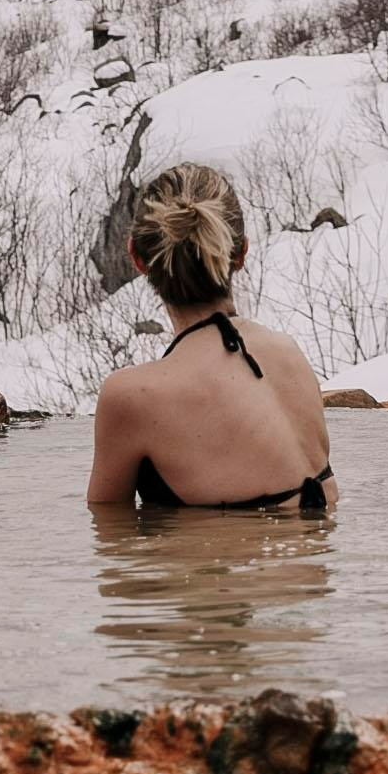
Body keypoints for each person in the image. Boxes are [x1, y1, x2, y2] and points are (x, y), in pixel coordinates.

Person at [86, 162, 336, 513]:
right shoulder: (288, 352)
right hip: (321, 561)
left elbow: (108, 532)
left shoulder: (131, 397)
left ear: (137, 259)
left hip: (226, 561)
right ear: (242, 253)